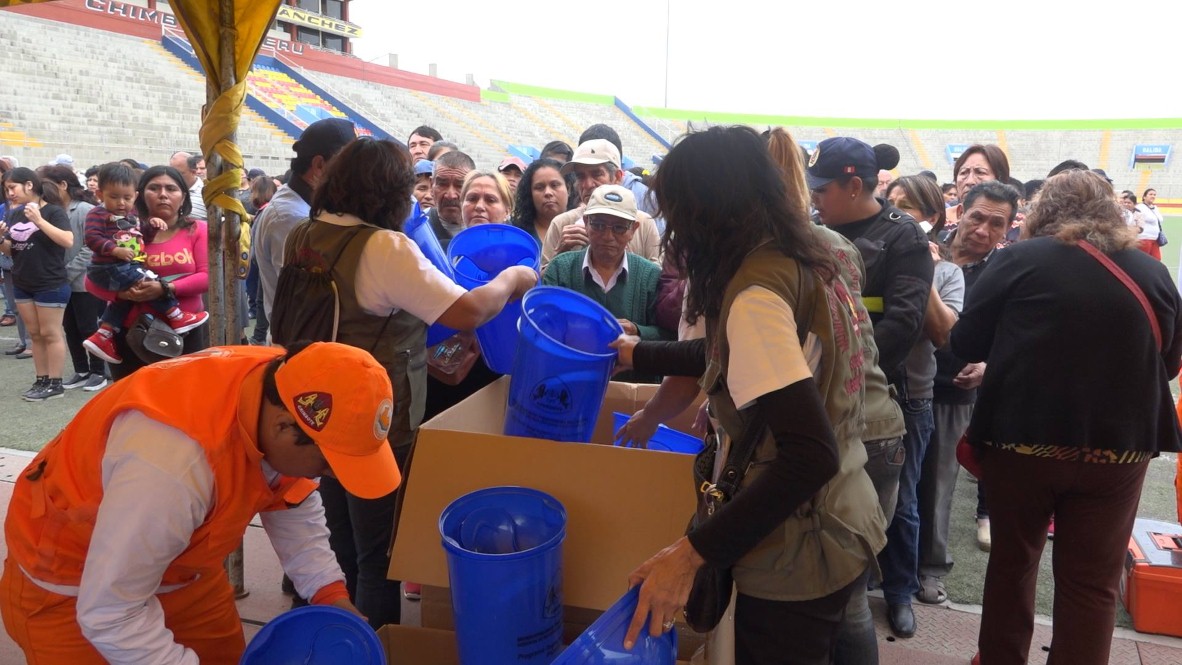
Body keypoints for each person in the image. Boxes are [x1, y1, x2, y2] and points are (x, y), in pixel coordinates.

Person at [614, 126, 885, 663]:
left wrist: (688, 556)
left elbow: (808, 455)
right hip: (848, 509)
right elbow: (735, 356)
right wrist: (636, 353)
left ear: (705, 210)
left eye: (676, 212)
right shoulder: (814, 250)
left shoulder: (755, 292)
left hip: (800, 544)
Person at [0, 341, 399, 664]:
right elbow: (109, 614)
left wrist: (331, 596)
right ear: (281, 427)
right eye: (328, 463)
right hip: (71, 586)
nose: (329, 476)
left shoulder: (291, 384)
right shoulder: (170, 464)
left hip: (182, 570)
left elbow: (291, 498)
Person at [281, 137, 536, 628]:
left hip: (316, 406)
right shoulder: (382, 246)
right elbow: (469, 309)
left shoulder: (304, 234)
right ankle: (373, 643)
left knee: (340, 543)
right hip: (373, 420)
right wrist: (513, 279)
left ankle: (341, 635)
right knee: (381, 555)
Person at [952, 170, 1182, 665]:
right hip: (1118, 451)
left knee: (1013, 564)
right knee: (1092, 584)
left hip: (1022, 444)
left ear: (1041, 212)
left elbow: (964, 344)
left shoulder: (1018, 259)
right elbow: (1168, 365)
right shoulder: (1152, 273)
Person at [808, 137, 934, 638]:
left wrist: (847, 370)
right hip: (827, 396)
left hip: (886, 397)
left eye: (822, 190)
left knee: (897, 506)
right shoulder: (816, 232)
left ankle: (900, 592)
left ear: (853, 185)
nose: (815, 199)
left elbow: (904, 322)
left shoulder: (903, 237)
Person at [885, 175, 966, 608]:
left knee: (904, 498)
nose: (895, 211)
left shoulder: (949, 272)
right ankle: (862, 586)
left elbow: (943, 334)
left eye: (908, 206)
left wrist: (921, 268)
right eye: (890, 202)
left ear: (932, 218)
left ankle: (900, 591)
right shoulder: (872, 255)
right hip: (866, 390)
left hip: (914, 394)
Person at [86, 165, 212, 380]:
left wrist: (164, 289)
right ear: (140, 195)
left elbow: (207, 277)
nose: (163, 195)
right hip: (130, 332)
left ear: (183, 196)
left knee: (186, 400)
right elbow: (91, 281)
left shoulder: (197, 229)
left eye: (171, 189)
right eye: (154, 188)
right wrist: (122, 295)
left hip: (184, 331)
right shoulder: (119, 228)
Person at [543, 184, 671, 381]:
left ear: (634, 229)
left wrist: (638, 331)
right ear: (586, 222)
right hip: (570, 383)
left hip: (634, 391)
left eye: (619, 227)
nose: (608, 236)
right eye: (599, 225)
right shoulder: (561, 268)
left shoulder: (651, 276)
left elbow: (670, 338)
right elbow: (544, 328)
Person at [254, 117, 357, 322]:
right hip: (300, 341)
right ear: (319, 165)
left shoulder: (305, 206)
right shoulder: (290, 217)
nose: (356, 175)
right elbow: (308, 297)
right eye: (350, 166)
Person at [0, 167, 74, 401]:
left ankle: (55, 383)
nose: (9, 193)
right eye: (6, 189)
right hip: (23, 280)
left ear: (29, 185)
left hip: (49, 281)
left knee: (51, 333)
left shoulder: (53, 211)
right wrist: (1, 239)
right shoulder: (14, 213)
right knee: (35, 334)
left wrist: (39, 221)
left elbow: (67, 240)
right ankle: (41, 379)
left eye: (12, 187)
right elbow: (11, 251)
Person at [540, 139, 661, 270]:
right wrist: (561, 254)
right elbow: (544, 284)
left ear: (617, 177)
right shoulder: (561, 224)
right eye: (581, 176)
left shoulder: (644, 224)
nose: (587, 184)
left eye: (597, 174)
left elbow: (660, 281)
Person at [40, 163, 106, 391]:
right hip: (61, 281)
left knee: (89, 326)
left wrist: (67, 272)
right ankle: (81, 369)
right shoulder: (52, 211)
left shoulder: (85, 210)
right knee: (70, 327)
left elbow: (91, 247)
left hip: (84, 281)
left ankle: (99, 370)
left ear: (63, 185)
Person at [511, 157, 570, 243]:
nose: (548, 192)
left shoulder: (584, 226)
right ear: (530, 193)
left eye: (554, 185)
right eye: (539, 187)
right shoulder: (518, 234)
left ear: (568, 189)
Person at [426, 150, 475, 251]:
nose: (450, 195)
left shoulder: (491, 229)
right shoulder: (415, 230)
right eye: (442, 184)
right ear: (431, 185)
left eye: (459, 185)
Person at [169, 151, 206, 221]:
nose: (173, 176)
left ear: (193, 172)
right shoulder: (164, 191)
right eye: (170, 171)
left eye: (179, 173)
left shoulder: (207, 193)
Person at [1135, 187, 1164, 259]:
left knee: (1157, 259)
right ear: (1144, 197)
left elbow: (1160, 219)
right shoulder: (1140, 207)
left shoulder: (1155, 208)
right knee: (1144, 259)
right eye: (1150, 194)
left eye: (1154, 195)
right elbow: (1148, 218)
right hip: (1144, 238)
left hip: (1155, 238)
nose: (1153, 196)